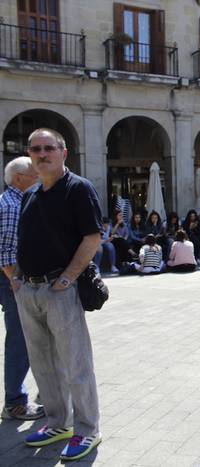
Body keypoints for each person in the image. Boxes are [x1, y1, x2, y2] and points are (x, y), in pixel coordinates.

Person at [13, 128, 102, 460]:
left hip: (58, 289)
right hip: (29, 289)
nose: (41, 153)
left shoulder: (77, 188)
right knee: (42, 362)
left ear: (64, 153)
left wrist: (66, 279)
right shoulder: (31, 194)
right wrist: (19, 278)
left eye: (49, 148)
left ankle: (87, 429)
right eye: (35, 149)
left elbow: (92, 238)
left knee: (75, 362)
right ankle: (57, 422)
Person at [0, 156, 44, 421]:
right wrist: (16, 282)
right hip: (13, 282)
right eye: (33, 173)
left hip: (17, 280)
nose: (38, 176)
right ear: (18, 178)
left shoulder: (19, 201)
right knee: (20, 340)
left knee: (25, 338)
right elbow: (5, 252)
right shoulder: (11, 205)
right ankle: (15, 402)